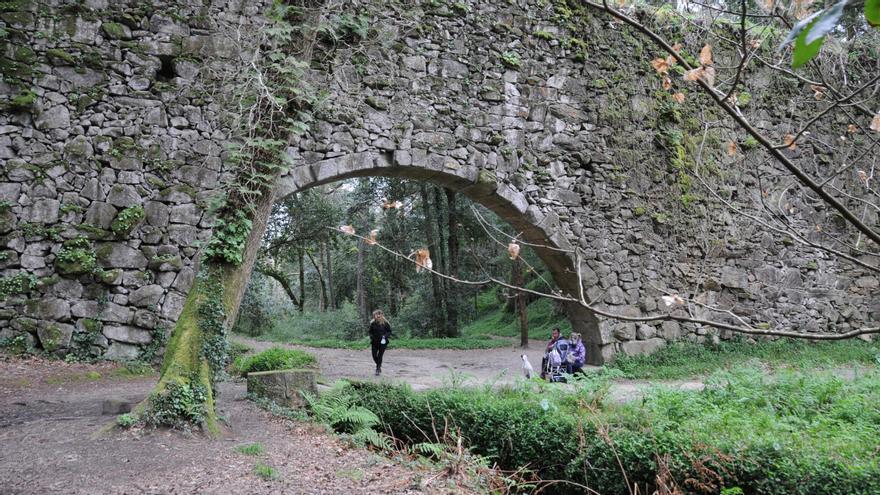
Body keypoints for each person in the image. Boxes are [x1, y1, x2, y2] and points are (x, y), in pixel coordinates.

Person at [368, 309, 392, 376]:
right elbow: (370, 332)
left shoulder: (385, 323)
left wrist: (385, 336)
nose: (378, 315)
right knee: (374, 355)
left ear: (382, 315)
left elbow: (389, 331)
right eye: (376, 314)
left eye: (379, 314)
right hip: (374, 342)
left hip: (383, 343)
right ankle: (379, 365)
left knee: (380, 356)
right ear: (374, 316)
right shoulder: (372, 323)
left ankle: (378, 369)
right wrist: (371, 337)